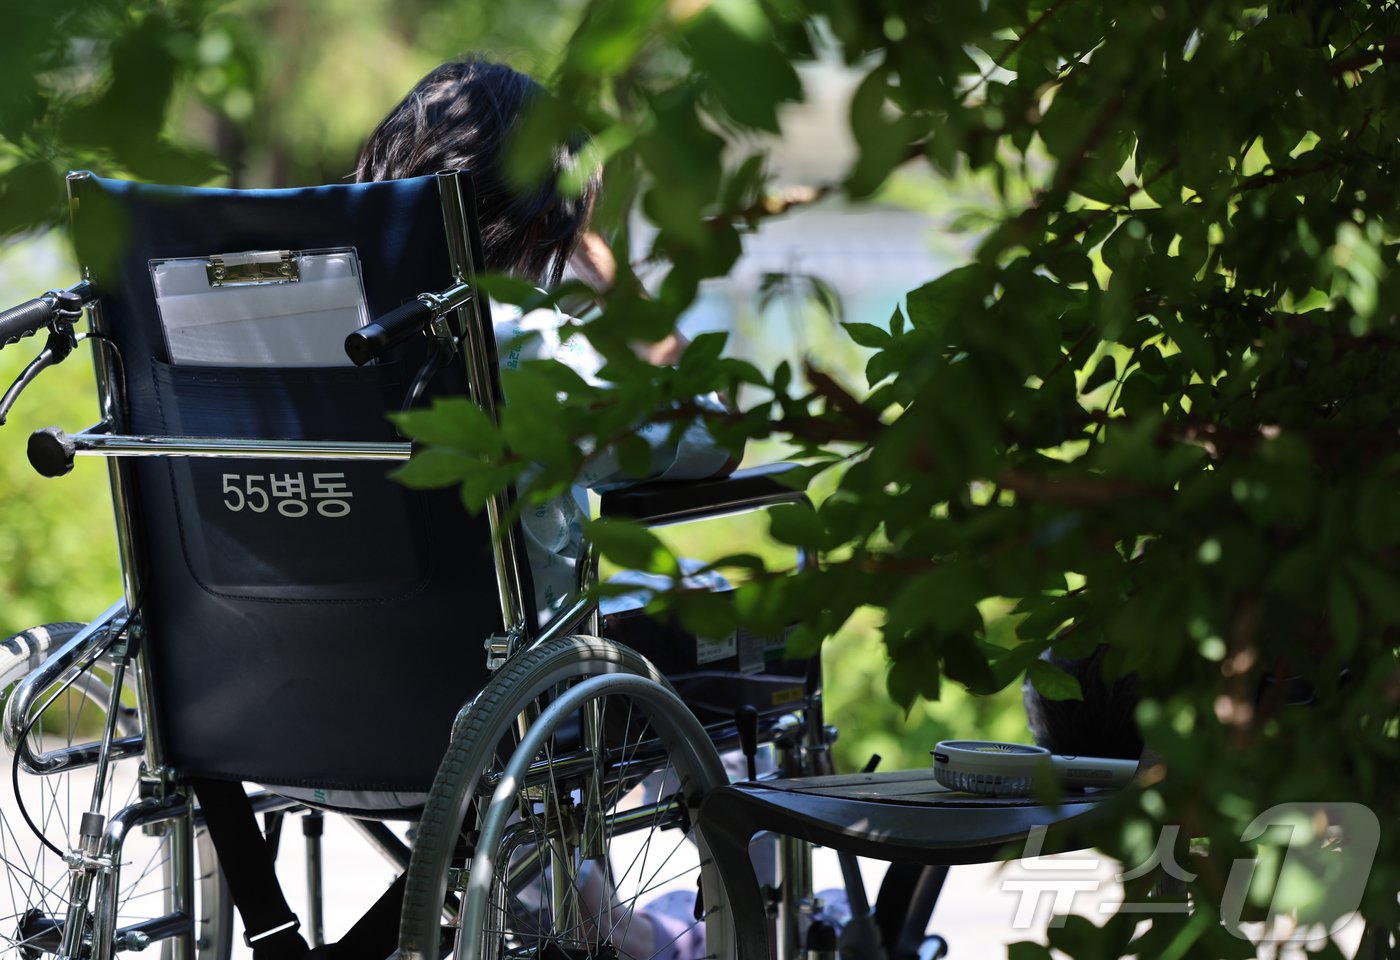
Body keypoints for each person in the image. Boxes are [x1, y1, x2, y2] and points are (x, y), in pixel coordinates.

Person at [355, 56, 734, 626]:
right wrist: (605, 270)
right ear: (542, 218)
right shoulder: (521, 339)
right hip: (526, 693)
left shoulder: (308, 323)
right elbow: (719, 433)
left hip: (320, 684)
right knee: (711, 596)